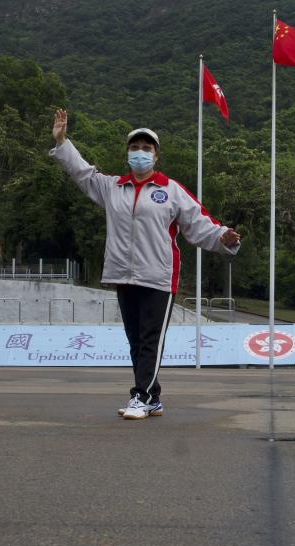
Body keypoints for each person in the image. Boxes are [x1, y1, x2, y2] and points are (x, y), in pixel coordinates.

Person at [50, 109, 241, 420]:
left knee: (151, 339)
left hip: (159, 278)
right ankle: (152, 398)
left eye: (147, 148)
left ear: (156, 155)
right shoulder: (112, 188)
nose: (140, 153)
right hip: (124, 276)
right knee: (136, 341)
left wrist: (224, 238)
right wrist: (62, 142)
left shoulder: (171, 190)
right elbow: (83, 174)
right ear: (127, 153)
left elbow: (199, 224)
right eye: (135, 147)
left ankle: (139, 396)